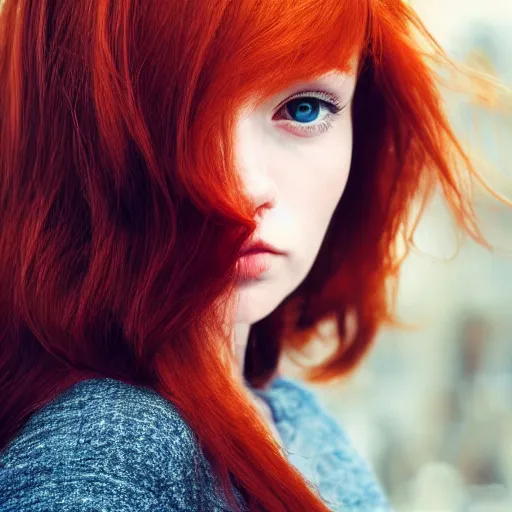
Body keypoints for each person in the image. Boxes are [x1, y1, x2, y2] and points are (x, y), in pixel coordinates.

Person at [0, 0, 502, 511]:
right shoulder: (107, 453)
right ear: (70, 134)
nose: (241, 187)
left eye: (305, 108)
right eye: (182, 116)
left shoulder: (293, 415)